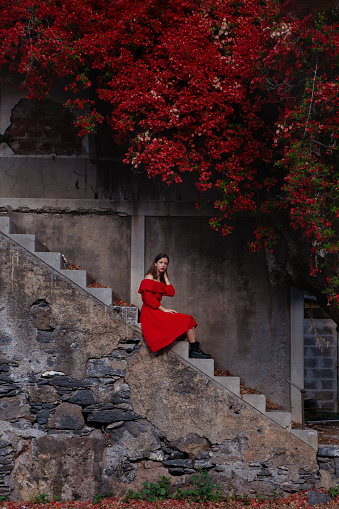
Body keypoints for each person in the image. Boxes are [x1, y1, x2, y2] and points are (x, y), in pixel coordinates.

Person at [138, 253, 211, 359]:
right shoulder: (149, 277)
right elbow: (148, 300)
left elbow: (171, 292)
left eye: (166, 263)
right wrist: (164, 309)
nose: (163, 265)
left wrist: (165, 277)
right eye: (161, 262)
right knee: (186, 319)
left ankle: (195, 349)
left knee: (188, 319)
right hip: (150, 312)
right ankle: (195, 350)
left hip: (157, 310)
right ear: (155, 264)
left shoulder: (160, 279)